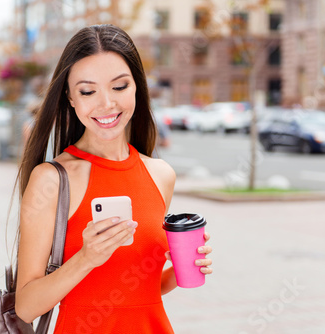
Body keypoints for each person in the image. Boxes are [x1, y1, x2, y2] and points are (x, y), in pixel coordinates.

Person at [13, 24, 213, 333]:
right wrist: (86, 258)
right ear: (70, 97)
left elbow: (138, 290)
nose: (106, 103)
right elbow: (26, 307)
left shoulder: (161, 175)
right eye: (88, 91)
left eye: (119, 87)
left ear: (137, 87)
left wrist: (180, 271)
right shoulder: (51, 180)